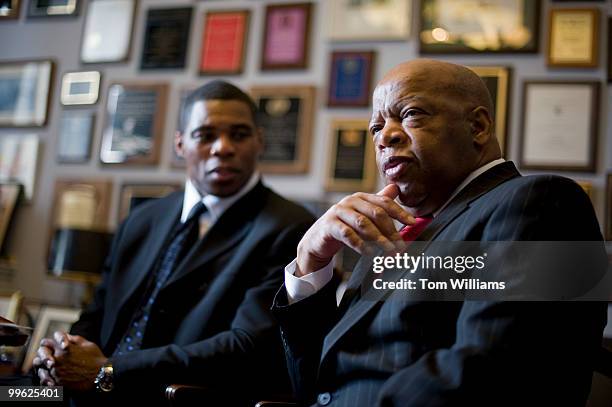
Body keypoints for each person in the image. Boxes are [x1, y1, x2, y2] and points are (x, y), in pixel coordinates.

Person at [273, 59, 608, 406]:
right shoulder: (393, 234)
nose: (386, 135)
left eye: (411, 114)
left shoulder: (540, 203)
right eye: (376, 127)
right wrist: (310, 263)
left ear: (477, 126)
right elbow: (317, 385)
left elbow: (489, 372)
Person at [33, 80, 314, 404]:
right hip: (85, 391)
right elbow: (96, 314)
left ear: (259, 141)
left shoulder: (289, 228)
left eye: (238, 135)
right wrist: (62, 355)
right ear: (180, 144)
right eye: (205, 135)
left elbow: (245, 346)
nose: (223, 147)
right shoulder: (141, 219)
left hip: (170, 396)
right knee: (14, 394)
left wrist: (109, 369)